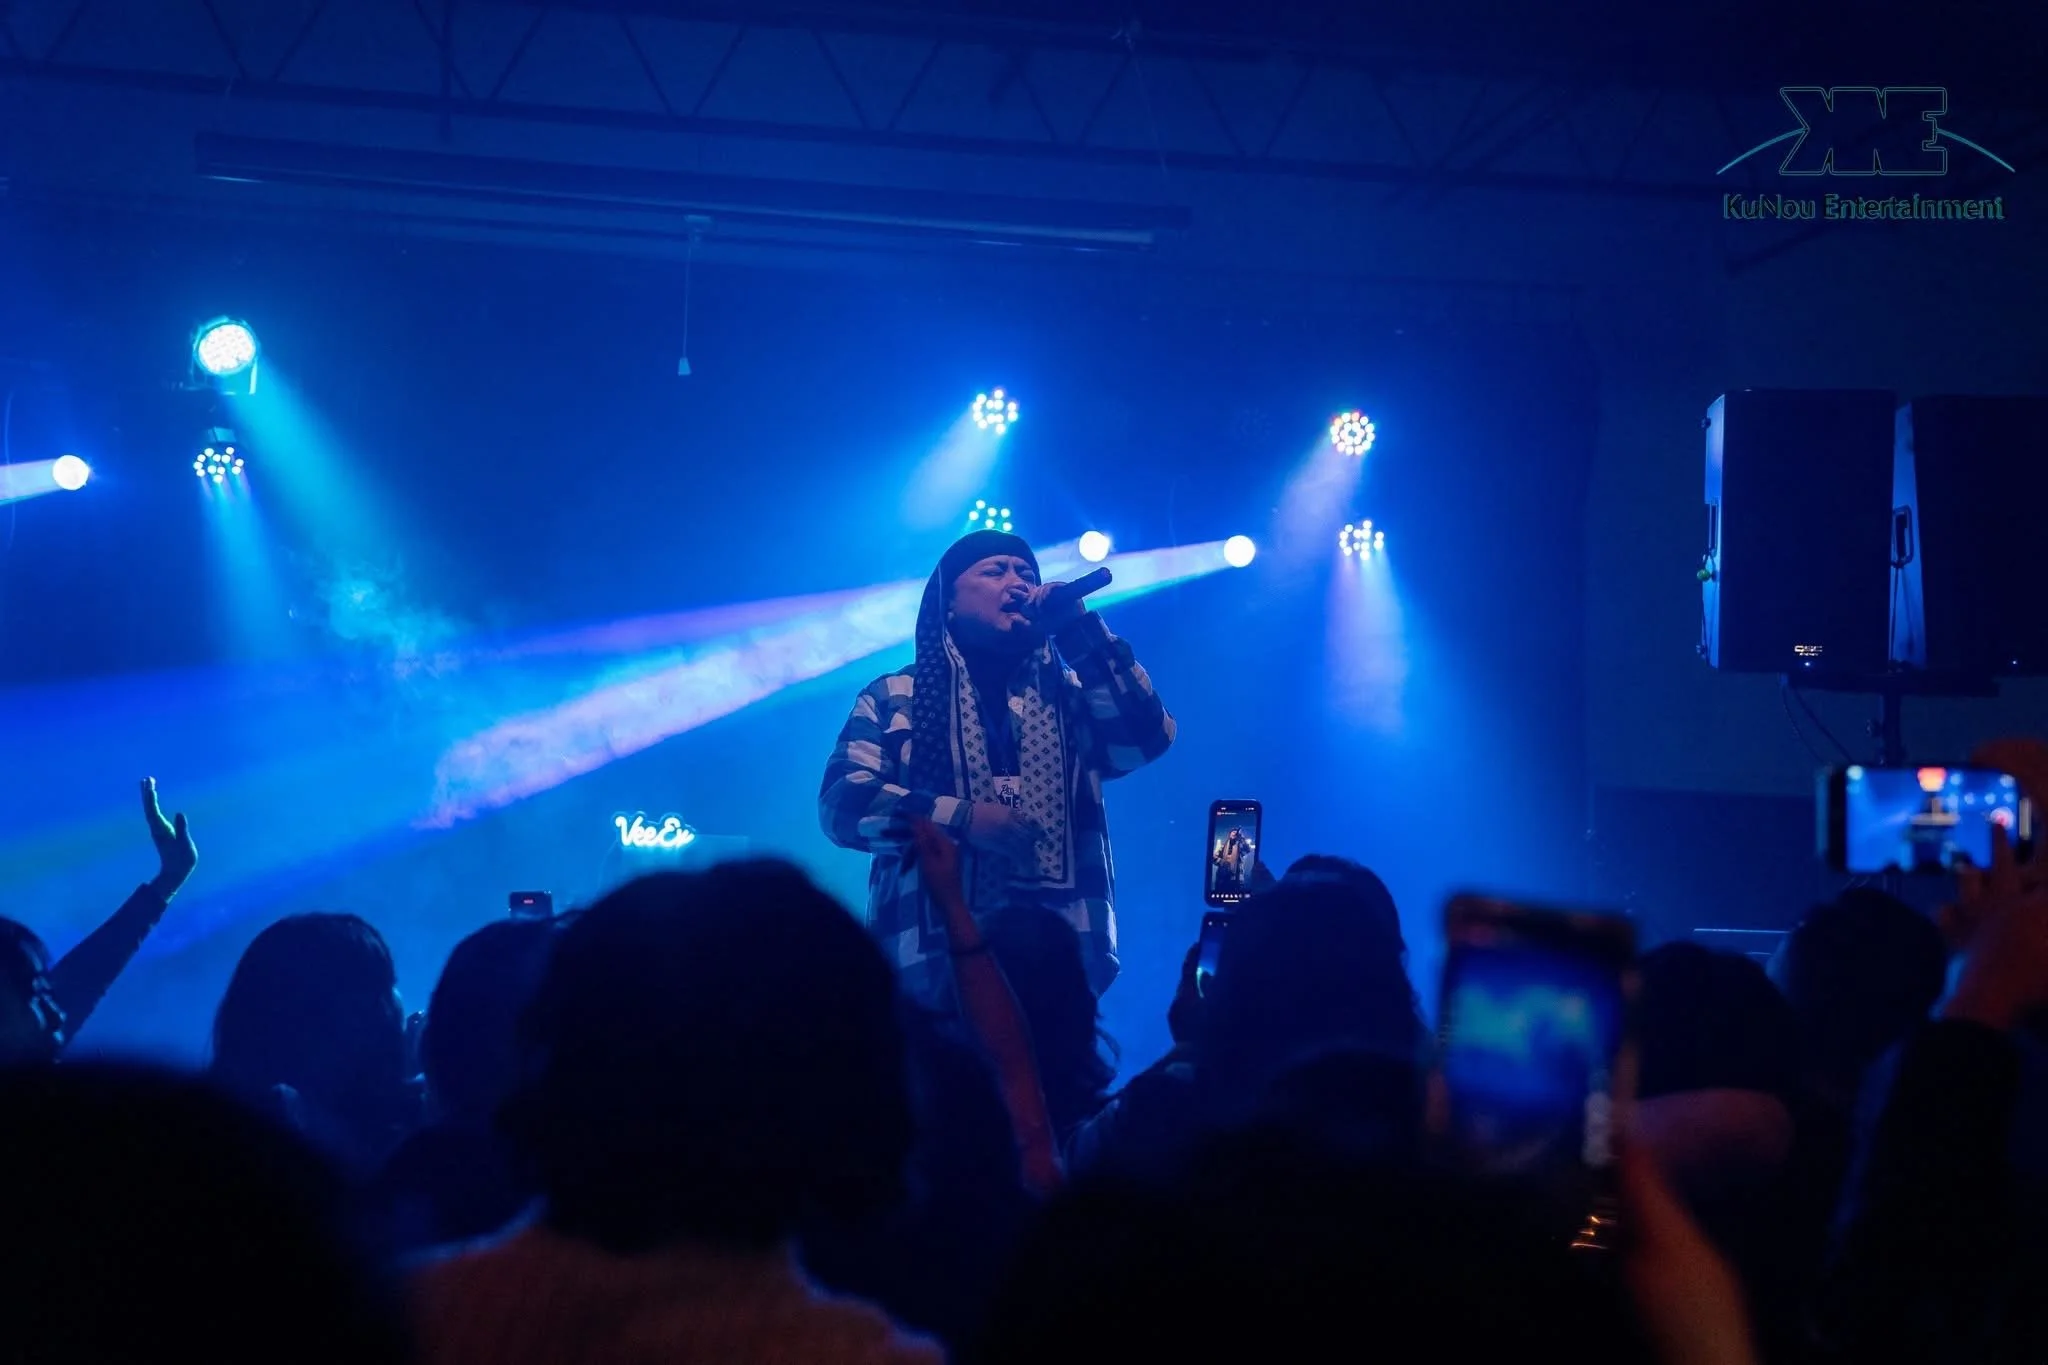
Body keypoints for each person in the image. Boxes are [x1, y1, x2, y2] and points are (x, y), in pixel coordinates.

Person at [820, 529, 1174, 1006]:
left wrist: (1077, 629)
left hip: (1060, 963)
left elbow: (1144, 739)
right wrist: (961, 819)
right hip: (929, 965)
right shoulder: (894, 695)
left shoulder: (1072, 694)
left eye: (1027, 574)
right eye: (995, 571)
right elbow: (844, 802)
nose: (1018, 583)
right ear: (948, 603)